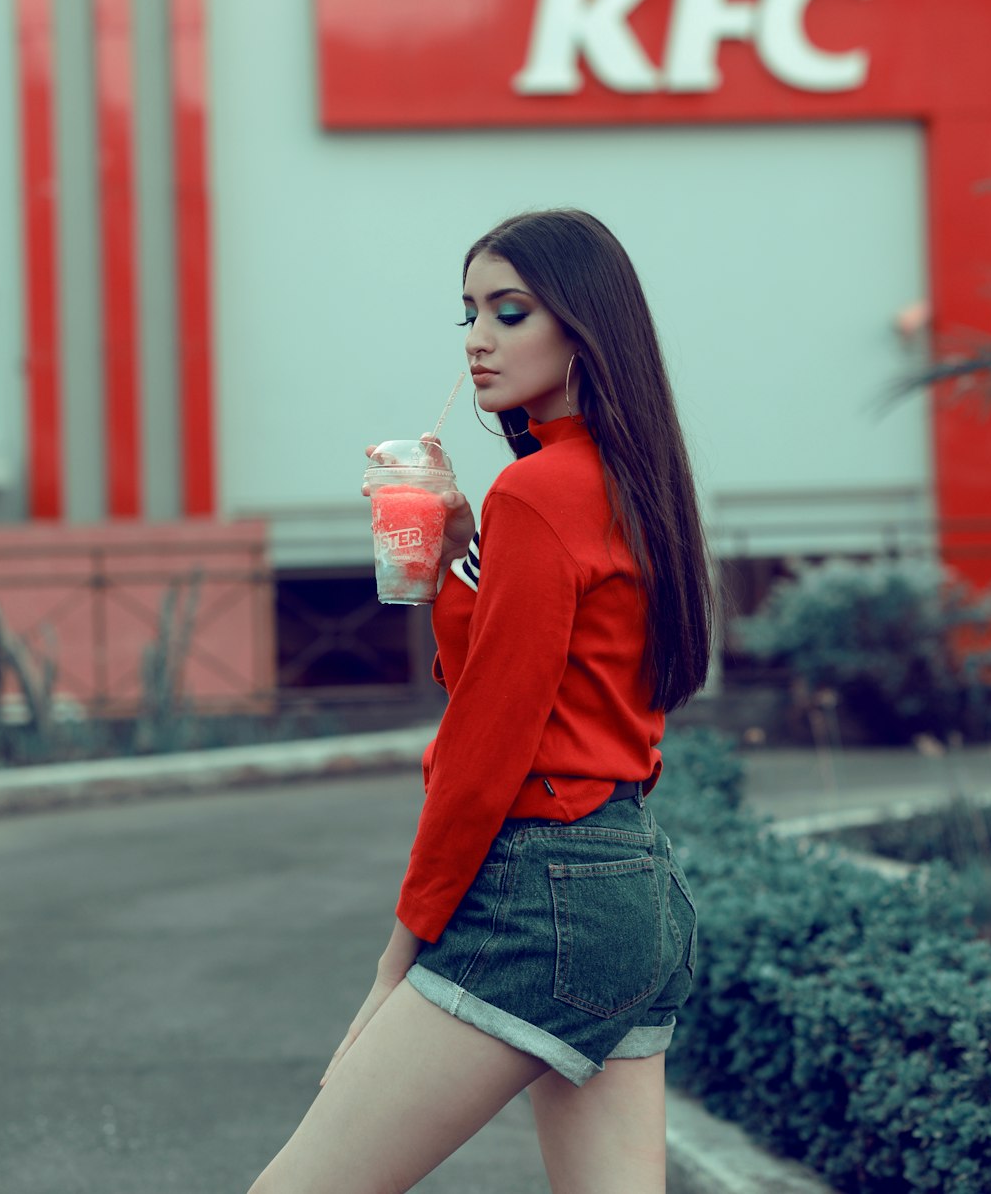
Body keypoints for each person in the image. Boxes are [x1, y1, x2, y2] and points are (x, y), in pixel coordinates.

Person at [248, 208, 716, 1194]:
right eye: (467, 313)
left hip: (539, 897)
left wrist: (397, 955)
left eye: (509, 311)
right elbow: (529, 685)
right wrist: (461, 549)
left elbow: (484, 747)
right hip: (632, 884)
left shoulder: (541, 493)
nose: (477, 339)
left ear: (583, 328)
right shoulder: (626, 484)